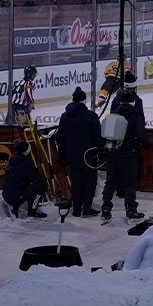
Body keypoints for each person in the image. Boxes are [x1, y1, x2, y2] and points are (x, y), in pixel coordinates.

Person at [101, 86, 146, 222]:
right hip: (128, 153)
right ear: (132, 101)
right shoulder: (135, 115)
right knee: (129, 183)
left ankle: (106, 208)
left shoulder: (113, 115)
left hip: (112, 153)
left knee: (110, 181)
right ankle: (131, 209)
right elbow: (140, 134)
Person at [56, 87, 100, 218]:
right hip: (88, 156)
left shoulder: (64, 117)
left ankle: (76, 209)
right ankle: (86, 208)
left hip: (72, 157)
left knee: (76, 182)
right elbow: (97, 137)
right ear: (84, 100)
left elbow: (60, 138)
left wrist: (63, 155)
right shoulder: (91, 116)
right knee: (90, 182)